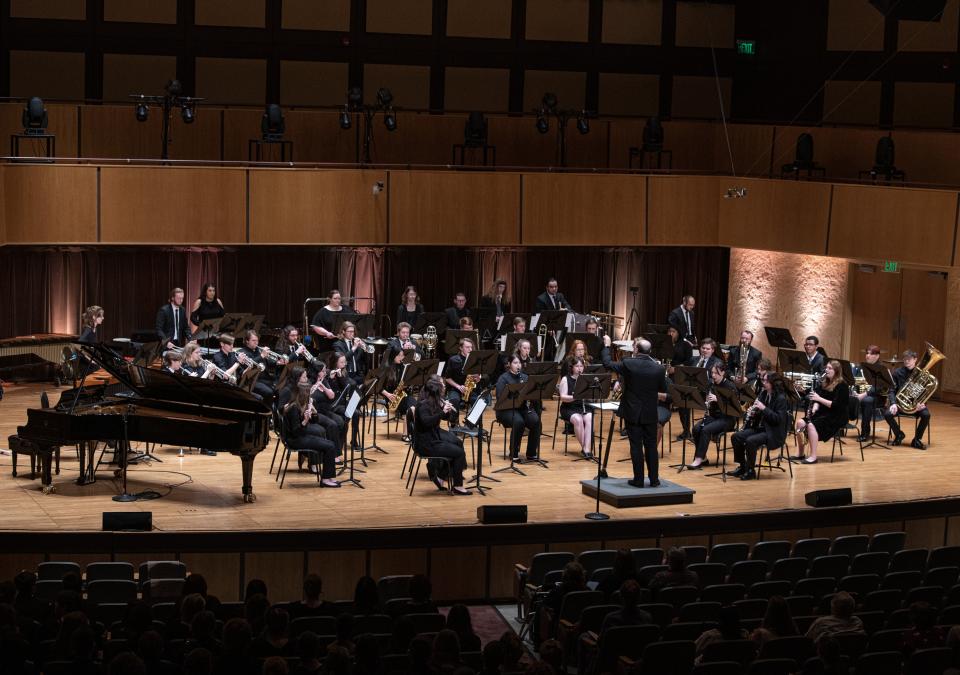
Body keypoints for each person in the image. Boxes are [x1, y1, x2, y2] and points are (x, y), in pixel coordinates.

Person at [601, 335, 667, 487]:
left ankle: (638, 479)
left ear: (636, 349)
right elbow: (663, 389)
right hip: (650, 413)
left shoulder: (628, 363)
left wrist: (606, 346)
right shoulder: (659, 368)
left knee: (636, 446)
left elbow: (607, 363)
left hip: (633, 412)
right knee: (651, 447)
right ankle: (654, 480)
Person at [728, 372, 789, 480]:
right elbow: (760, 413)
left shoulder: (781, 399)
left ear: (773, 383)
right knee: (736, 437)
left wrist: (763, 408)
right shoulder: (763, 394)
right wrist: (752, 413)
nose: (763, 383)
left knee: (751, 441)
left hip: (773, 432)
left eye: (766, 381)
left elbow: (777, 419)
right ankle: (743, 466)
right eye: (763, 380)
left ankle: (751, 470)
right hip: (761, 428)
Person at [283, 383, 340, 487]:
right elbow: (296, 432)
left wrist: (314, 413)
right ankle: (326, 479)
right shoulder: (293, 408)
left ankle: (329, 477)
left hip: (301, 436)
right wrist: (305, 421)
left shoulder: (300, 405)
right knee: (330, 446)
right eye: (308, 394)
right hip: (294, 440)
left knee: (331, 444)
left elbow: (314, 421)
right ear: (302, 395)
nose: (310, 396)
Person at [794, 359, 850, 464]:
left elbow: (836, 405)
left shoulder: (842, 385)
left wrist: (818, 399)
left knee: (810, 425)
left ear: (836, 371)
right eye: (826, 368)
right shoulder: (825, 382)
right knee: (800, 423)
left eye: (830, 368)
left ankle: (813, 456)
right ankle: (800, 453)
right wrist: (815, 406)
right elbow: (817, 397)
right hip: (823, 413)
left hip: (836, 416)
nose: (826, 370)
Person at [687, 363, 737, 470]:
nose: (713, 375)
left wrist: (717, 399)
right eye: (712, 373)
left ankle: (698, 459)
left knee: (705, 430)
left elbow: (734, 407)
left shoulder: (730, 386)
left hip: (727, 418)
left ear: (723, 373)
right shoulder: (711, 383)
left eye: (716, 373)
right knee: (696, 429)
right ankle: (703, 458)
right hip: (714, 416)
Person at [496, 354, 542, 463]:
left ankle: (531, 453)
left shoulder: (525, 377)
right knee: (519, 422)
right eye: (515, 363)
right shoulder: (503, 378)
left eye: (519, 363)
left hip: (522, 408)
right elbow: (499, 397)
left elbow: (531, 394)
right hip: (506, 409)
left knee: (536, 422)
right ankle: (514, 453)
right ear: (509, 364)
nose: (518, 365)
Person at [884, 349, 932, 449]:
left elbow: (926, 391)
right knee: (887, 414)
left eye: (909, 359)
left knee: (926, 415)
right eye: (905, 359)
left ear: (915, 360)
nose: (906, 361)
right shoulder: (897, 372)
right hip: (900, 405)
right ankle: (899, 434)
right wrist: (893, 403)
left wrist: (922, 403)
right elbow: (891, 390)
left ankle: (917, 440)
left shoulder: (922, 374)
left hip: (916, 406)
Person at [677, 338, 723, 441]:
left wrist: (704, 377)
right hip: (694, 391)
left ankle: (712, 432)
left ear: (712, 350)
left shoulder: (717, 362)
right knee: (682, 402)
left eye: (708, 349)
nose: (705, 350)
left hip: (707, 392)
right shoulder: (693, 359)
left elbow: (717, 379)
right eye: (703, 348)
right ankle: (686, 431)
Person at [558, 356, 593, 459]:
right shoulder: (566, 379)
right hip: (568, 407)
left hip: (583, 406)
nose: (579, 368)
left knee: (589, 418)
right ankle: (586, 448)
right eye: (577, 366)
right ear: (572, 367)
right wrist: (575, 397)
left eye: (581, 366)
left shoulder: (585, 378)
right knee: (578, 420)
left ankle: (586, 449)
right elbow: (563, 397)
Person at [445, 337, 484, 423]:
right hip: (455, 388)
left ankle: (471, 424)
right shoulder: (453, 360)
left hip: (470, 388)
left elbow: (479, 378)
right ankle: (454, 424)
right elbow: (447, 378)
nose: (470, 349)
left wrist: (478, 378)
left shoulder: (476, 360)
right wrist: (458, 386)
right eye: (467, 347)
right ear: (461, 348)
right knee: (454, 400)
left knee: (478, 401)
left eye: (471, 347)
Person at [854, 345, 884, 442]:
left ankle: (865, 432)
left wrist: (863, 395)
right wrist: (854, 391)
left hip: (877, 397)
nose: (867, 355)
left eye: (871, 354)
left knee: (867, 401)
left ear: (877, 356)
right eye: (867, 353)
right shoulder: (861, 367)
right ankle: (841, 426)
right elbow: (855, 381)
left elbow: (879, 387)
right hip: (861, 394)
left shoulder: (881, 369)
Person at [310, 290, 353, 354]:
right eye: (335, 298)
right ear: (329, 299)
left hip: (344, 343)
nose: (338, 300)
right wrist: (327, 333)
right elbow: (315, 326)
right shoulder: (323, 312)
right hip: (328, 344)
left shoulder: (346, 309)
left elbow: (354, 322)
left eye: (339, 298)